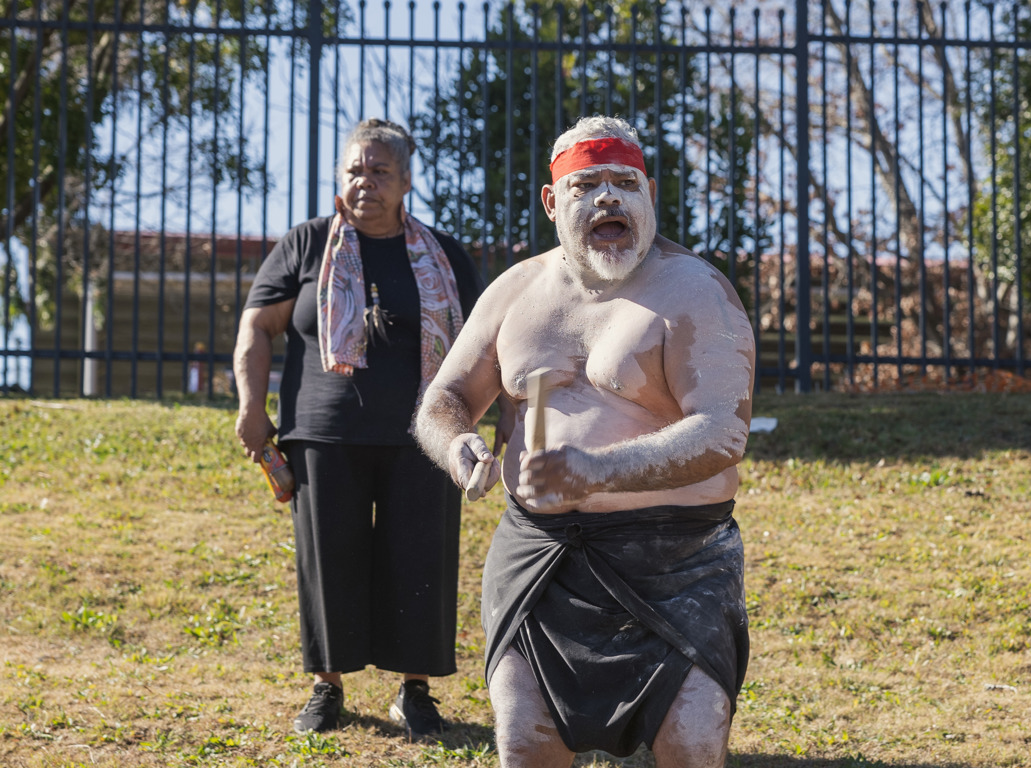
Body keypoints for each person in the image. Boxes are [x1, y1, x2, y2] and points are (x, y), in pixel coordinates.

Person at [414, 115, 755, 767]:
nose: (608, 198)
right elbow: (447, 398)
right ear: (551, 201)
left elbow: (721, 432)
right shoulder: (516, 291)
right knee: (523, 740)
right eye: (587, 184)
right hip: (537, 555)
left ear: (648, 196)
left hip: (674, 561)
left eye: (626, 183)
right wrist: (458, 445)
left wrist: (597, 469)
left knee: (688, 743)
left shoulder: (695, 291)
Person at [233, 118, 509, 739]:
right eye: (356, 169)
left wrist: (490, 428)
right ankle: (326, 687)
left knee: (422, 560)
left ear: (406, 180)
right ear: (341, 177)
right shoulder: (306, 246)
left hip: (426, 437)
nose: (366, 182)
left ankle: (415, 692)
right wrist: (252, 407)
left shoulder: (446, 256)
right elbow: (257, 327)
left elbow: (486, 343)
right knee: (330, 559)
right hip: (323, 434)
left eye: (381, 170)